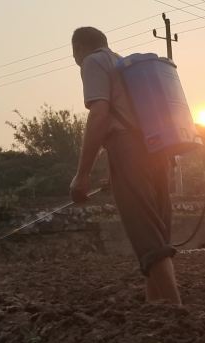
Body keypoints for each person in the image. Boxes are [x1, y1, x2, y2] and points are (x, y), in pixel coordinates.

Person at [68, 27, 181, 305]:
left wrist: (82, 175)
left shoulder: (93, 61)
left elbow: (100, 115)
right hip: (157, 150)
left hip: (129, 149)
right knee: (156, 229)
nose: (74, 58)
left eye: (73, 52)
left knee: (146, 234)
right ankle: (155, 305)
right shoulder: (122, 63)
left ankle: (176, 313)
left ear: (79, 47)